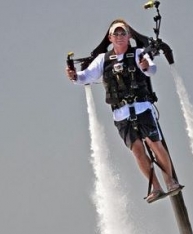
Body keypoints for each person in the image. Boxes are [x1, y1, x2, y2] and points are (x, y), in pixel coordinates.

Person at [66, 19, 181, 203]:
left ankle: (170, 181)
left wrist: (145, 66)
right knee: (137, 150)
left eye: (123, 33)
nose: (119, 37)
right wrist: (73, 76)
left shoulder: (137, 53)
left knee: (154, 144)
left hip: (142, 108)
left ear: (128, 36)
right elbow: (85, 77)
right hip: (121, 114)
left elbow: (151, 69)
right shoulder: (102, 60)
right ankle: (156, 187)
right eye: (116, 34)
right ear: (110, 37)